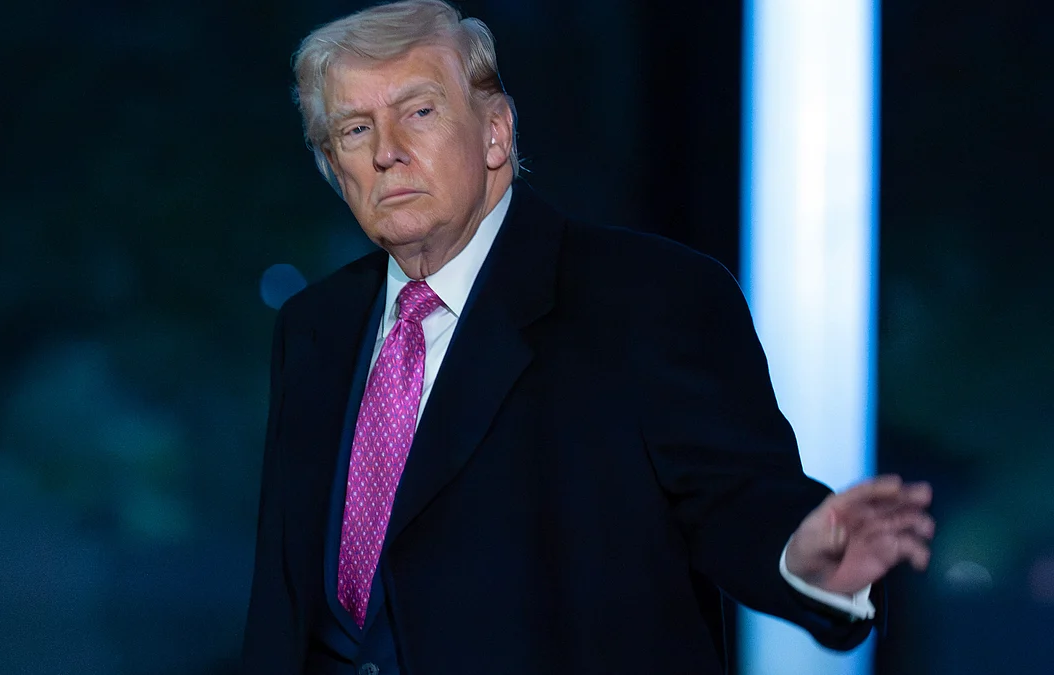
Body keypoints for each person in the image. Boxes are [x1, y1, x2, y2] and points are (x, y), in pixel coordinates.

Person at [242, 1, 935, 673]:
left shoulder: (650, 296)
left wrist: (801, 553)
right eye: (355, 130)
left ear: (495, 133)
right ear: (334, 168)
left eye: (419, 112)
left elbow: (735, 499)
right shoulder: (314, 328)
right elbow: (285, 605)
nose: (387, 152)